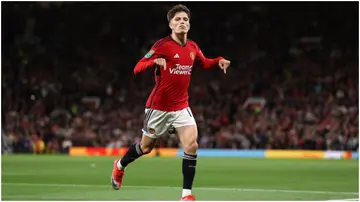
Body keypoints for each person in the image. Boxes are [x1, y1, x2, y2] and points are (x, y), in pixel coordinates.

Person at [111, 4, 230, 201]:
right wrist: (153, 62)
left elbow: (204, 62)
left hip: (181, 106)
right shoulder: (162, 45)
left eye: (185, 19)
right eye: (177, 19)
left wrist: (218, 60)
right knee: (145, 148)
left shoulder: (192, 47)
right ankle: (120, 166)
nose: (182, 22)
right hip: (158, 107)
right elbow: (137, 67)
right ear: (171, 25)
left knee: (191, 145)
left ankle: (186, 195)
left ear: (189, 25)